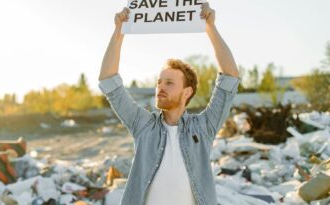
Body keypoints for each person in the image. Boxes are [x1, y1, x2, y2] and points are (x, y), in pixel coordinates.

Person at [98, 2, 240, 205]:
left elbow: (229, 78)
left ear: (187, 92)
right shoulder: (143, 124)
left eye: (169, 83)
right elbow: (109, 82)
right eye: (159, 82)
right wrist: (119, 32)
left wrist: (210, 27)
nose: (160, 88)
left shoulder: (203, 127)